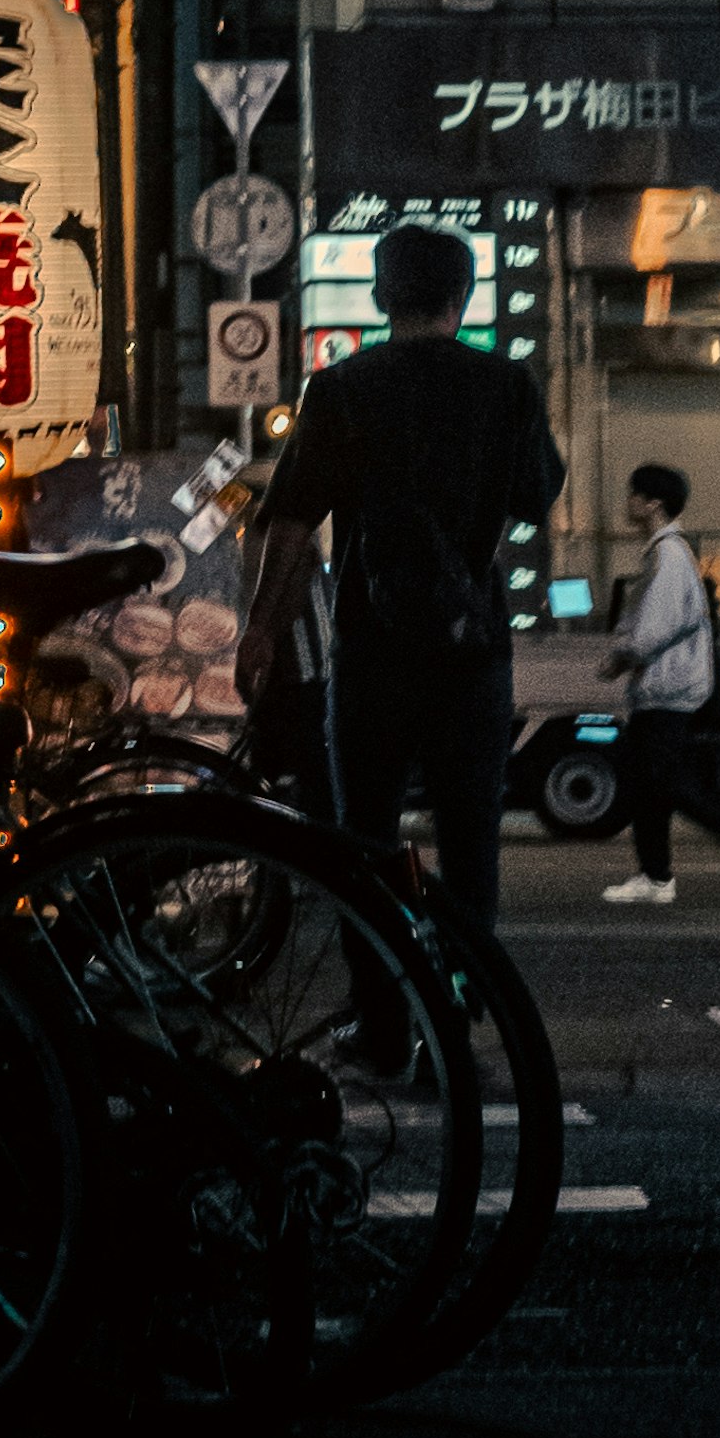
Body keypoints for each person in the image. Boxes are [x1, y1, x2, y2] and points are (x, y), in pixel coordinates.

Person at [240, 219, 565, 933]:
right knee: (472, 841)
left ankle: (384, 1021)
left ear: (383, 293)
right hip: (473, 646)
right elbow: (536, 499)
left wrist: (261, 630)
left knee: (366, 842)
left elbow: (292, 526)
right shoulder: (506, 385)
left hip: (372, 647)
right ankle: (465, 1003)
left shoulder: (341, 388)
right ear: (465, 294)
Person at [601, 461, 720, 904]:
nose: (628, 502)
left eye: (635, 494)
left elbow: (654, 626)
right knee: (647, 782)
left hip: (667, 691)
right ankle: (655, 877)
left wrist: (622, 657)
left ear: (653, 504)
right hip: (661, 690)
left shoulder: (669, 555)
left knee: (663, 779)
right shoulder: (668, 552)